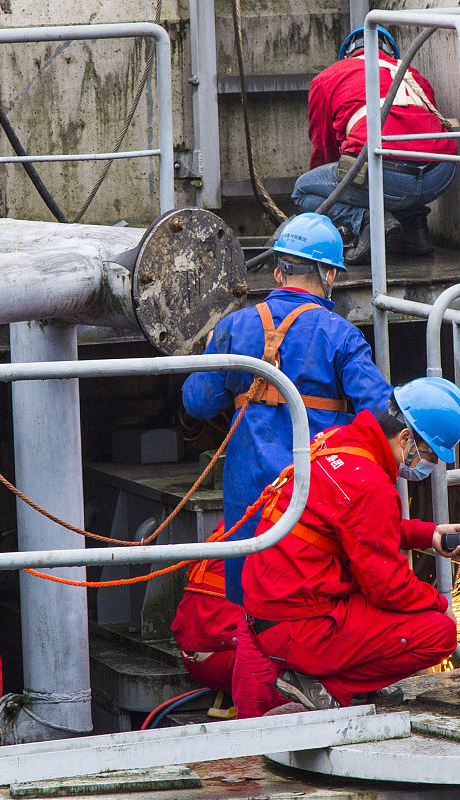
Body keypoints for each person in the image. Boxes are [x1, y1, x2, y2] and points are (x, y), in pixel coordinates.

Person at [232, 377, 460, 717]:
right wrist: (439, 603)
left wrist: (428, 534)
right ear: (405, 438)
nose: (427, 466)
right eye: (429, 455)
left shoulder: (340, 441)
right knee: (438, 632)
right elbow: (387, 587)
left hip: (271, 609)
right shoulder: (370, 483)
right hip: (299, 624)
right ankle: (324, 688)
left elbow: (359, 527)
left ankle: (329, 677)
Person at [181, 213, 392, 606]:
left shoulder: (233, 326)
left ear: (278, 272)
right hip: (316, 494)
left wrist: (212, 350)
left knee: (251, 615)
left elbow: (197, 402)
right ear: (329, 275)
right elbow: (381, 415)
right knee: (315, 609)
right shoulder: (341, 334)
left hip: (249, 496)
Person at [292, 25, 458, 264]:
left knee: (303, 191)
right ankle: (416, 230)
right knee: (402, 160)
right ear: (392, 53)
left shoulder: (328, 77)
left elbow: (324, 147)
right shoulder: (413, 74)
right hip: (441, 174)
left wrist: (339, 193)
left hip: (385, 178)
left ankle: (369, 222)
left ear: (347, 54)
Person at [170, 524, 242, 694]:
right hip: (226, 661)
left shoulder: (227, 526)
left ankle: (227, 696)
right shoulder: (274, 529)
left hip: (191, 655)